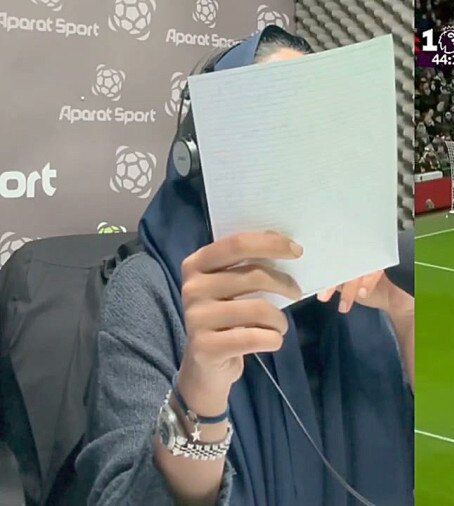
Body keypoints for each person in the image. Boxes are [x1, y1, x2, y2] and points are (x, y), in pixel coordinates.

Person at [75, 26, 414, 506]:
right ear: (202, 160)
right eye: (275, 127)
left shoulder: (372, 293)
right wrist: (200, 390)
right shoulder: (148, 291)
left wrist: (406, 320)